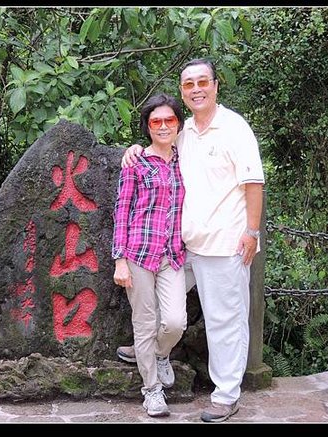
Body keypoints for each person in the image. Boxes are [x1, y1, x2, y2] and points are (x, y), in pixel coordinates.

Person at [118, 58, 265, 423]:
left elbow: (254, 183)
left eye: (203, 82)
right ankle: (147, 350)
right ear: (183, 92)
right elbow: (159, 144)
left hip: (224, 245)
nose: (196, 89)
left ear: (216, 85)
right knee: (157, 310)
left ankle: (226, 395)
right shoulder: (184, 133)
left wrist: (252, 231)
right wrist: (133, 149)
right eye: (189, 84)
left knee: (224, 320)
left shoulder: (234, 128)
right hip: (181, 248)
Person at [112, 93, 188, 418]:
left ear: (178, 124)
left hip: (173, 255)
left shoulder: (187, 160)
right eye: (155, 121)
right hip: (139, 255)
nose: (162, 126)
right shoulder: (136, 162)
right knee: (143, 324)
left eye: (169, 120)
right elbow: (122, 210)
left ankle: (159, 354)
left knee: (174, 322)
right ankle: (152, 391)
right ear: (147, 126)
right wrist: (119, 259)